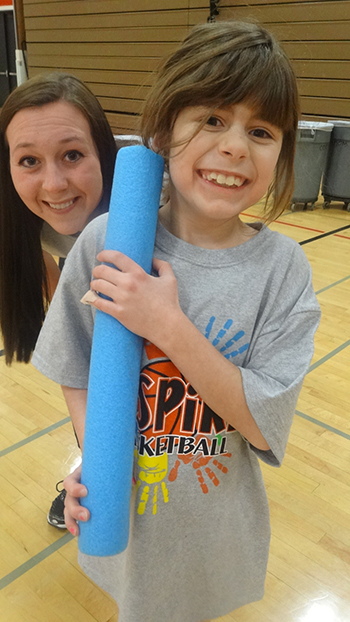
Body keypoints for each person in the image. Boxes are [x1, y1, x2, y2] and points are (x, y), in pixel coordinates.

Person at [32, 21, 321, 622]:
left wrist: (167, 323)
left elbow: (263, 428)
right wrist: (96, 455)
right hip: (126, 514)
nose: (236, 146)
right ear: (164, 131)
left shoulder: (282, 270)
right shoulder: (107, 241)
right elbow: (74, 364)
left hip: (216, 529)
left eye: (261, 131)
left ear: (281, 153)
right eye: (212, 119)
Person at [0, 72, 118, 528]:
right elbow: (58, 293)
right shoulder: (31, 222)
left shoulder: (150, 217)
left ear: (102, 154)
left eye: (72, 155)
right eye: (29, 161)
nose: (53, 184)